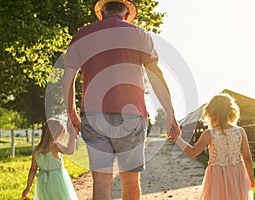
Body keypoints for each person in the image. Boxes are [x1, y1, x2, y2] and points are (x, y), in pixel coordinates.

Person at [62, 0, 181, 199]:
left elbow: (68, 78)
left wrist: (71, 113)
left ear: (102, 12)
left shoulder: (83, 34)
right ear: (126, 13)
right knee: (130, 180)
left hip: (93, 115)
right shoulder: (139, 35)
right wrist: (170, 113)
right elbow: (155, 75)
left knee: (101, 180)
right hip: (132, 116)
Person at [173, 93, 254, 200]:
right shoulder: (240, 131)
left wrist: (177, 139)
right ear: (231, 112)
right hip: (237, 175)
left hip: (217, 177)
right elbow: (247, 157)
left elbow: (192, 152)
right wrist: (250, 178)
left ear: (211, 114)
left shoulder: (209, 134)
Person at [22, 118, 78, 200]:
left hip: (43, 183)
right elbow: (70, 151)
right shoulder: (55, 146)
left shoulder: (36, 150)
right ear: (55, 134)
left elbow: (33, 170)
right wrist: (73, 137)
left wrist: (28, 188)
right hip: (58, 181)